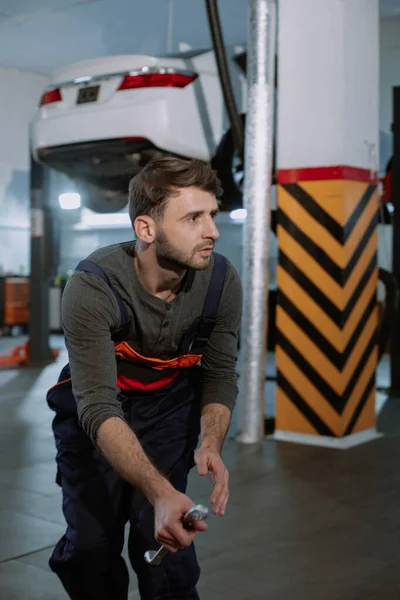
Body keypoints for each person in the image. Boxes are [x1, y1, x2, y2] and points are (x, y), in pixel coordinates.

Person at [46, 157, 243, 600]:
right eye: (193, 217)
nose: (212, 230)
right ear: (147, 229)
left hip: (168, 410)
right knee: (91, 548)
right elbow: (96, 404)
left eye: (211, 214)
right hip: (94, 415)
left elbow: (217, 373)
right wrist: (158, 490)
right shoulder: (93, 286)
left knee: (165, 549)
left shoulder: (220, 281)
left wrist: (210, 442)